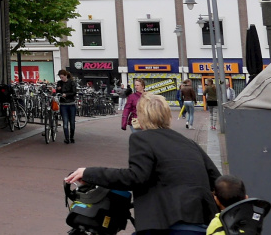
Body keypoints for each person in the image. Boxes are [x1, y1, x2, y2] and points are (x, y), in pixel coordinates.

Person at [65, 94, 220, 235]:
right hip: (201, 223)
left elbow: (136, 177)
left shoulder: (142, 138)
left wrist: (88, 173)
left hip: (165, 223)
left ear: (142, 115)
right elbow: (217, 180)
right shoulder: (189, 143)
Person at [56, 69, 79, 144]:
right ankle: (67, 138)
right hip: (63, 105)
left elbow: (74, 92)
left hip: (71, 104)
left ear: (66, 76)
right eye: (60, 77)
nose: (61, 79)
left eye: (62, 77)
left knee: (72, 122)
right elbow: (57, 92)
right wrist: (57, 90)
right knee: (65, 122)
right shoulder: (59, 83)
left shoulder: (72, 82)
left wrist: (66, 94)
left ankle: (72, 137)